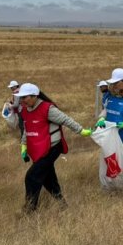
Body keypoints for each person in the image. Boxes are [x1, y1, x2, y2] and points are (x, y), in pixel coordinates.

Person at [15, 83, 91, 212]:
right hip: (38, 148)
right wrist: (24, 146)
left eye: (25, 97)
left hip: (52, 148)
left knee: (31, 176)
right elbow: (27, 130)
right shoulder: (24, 110)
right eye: (21, 98)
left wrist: (81, 131)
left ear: (35, 96)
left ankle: (29, 209)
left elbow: (66, 120)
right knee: (47, 178)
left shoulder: (47, 109)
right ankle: (62, 204)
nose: (22, 100)